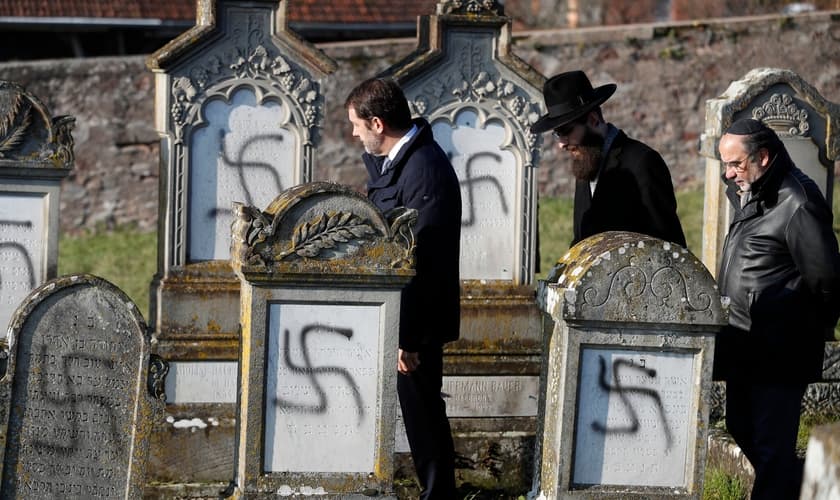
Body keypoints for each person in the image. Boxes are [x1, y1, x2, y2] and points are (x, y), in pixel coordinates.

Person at [344, 77, 461, 499]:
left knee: (424, 413)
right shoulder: (400, 160)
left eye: (357, 125)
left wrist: (407, 337)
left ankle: (440, 494)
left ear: (377, 123)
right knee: (417, 411)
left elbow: (423, 259)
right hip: (399, 313)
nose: (354, 134)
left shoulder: (424, 170)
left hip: (417, 319)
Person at [714, 118, 840, 499]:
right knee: (741, 426)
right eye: (725, 163)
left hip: (779, 349)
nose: (728, 173)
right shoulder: (749, 190)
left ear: (763, 157)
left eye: (735, 164)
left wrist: (801, 327)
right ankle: (812, 485)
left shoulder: (797, 202)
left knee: (771, 450)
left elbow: (828, 279)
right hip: (744, 343)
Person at [530, 70, 686, 247]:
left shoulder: (643, 162)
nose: (561, 144)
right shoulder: (586, 163)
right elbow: (581, 240)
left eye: (566, 131)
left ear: (594, 120)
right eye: (557, 134)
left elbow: (668, 244)